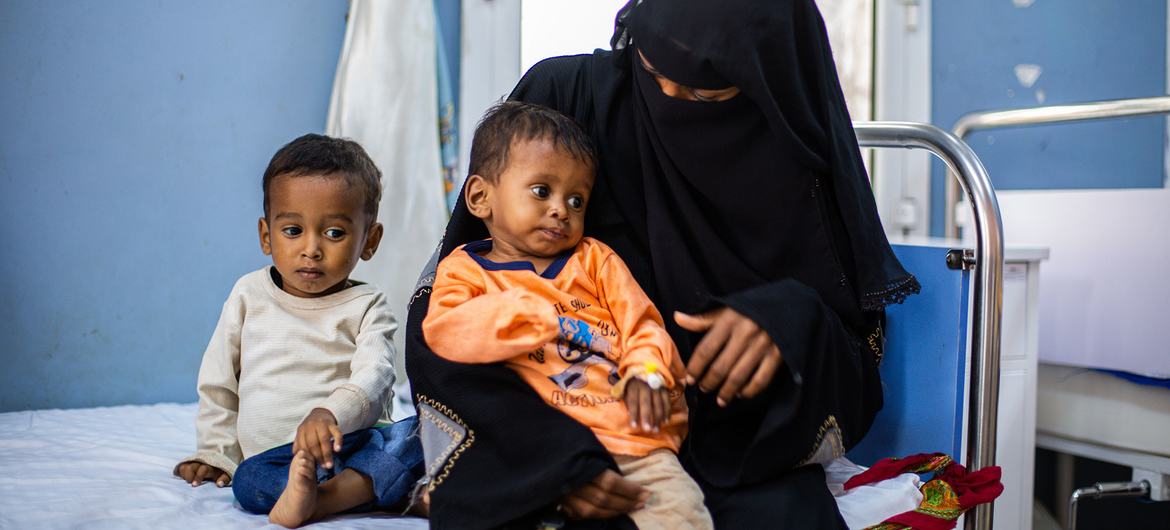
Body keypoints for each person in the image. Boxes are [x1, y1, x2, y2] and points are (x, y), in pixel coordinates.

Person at [405, 0, 920, 527]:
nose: (669, 98)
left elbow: (855, 371)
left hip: (733, 452)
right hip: (544, 435)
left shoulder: (794, 161)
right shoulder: (565, 100)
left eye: (704, 92)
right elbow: (444, 315)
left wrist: (789, 323)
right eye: (653, 70)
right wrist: (553, 464)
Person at [422, 101, 714, 530]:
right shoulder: (465, 270)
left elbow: (644, 327)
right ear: (481, 197)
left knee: (683, 513)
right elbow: (444, 331)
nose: (561, 209)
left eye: (576, 200)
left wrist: (648, 372)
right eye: (542, 191)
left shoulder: (595, 260)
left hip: (635, 439)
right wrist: (528, 313)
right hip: (544, 446)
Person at [173, 134, 424, 528]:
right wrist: (216, 453)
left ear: (369, 241)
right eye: (292, 231)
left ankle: (331, 498)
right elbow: (219, 382)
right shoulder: (248, 295)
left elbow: (375, 377)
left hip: (354, 446)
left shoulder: (367, 305)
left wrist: (330, 414)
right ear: (266, 235)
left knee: (427, 429)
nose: (312, 249)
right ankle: (386, 492)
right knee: (247, 480)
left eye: (335, 233)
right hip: (279, 461)